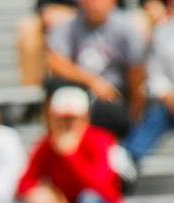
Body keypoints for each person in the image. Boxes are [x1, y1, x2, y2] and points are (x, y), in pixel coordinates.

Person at [19, 88, 127, 203]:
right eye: (62, 119)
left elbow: (100, 187)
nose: (66, 125)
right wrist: (51, 202)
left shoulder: (100, 140)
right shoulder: (47, 144)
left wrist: (70, 156)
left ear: (85, 118)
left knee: (89, 202)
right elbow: (25, 183)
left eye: (72, 119)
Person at [44, 0, 147, 138]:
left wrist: (135, 111)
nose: (93, 4)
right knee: (56, 87)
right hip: (81, 92)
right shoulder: (69, 26)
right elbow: (56, 63)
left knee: (106, 112)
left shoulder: (126, 28)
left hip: (114, 97)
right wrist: (93, 81)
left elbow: (136, 72)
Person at [128, 0, 174, 161]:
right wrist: (168, 96)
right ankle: (127, 166)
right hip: (173, 105)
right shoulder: (162, 32)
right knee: (137, 144)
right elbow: (155, 74)